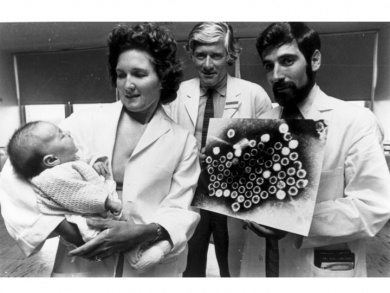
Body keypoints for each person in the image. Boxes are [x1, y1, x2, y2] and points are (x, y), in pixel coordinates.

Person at [0, 22, 200, 277]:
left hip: (149, 267)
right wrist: (65, 228)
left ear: (163, 78)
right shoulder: (85, 122)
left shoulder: (182, 141)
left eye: (139, 74)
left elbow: (182, 207)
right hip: (84, 264)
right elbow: (13, 175)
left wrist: (148, 231)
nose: (126, 85)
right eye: (121, 74)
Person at [235, 22, 390, 277]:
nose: (276, 75)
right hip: (261, 265)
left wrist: (294, 220)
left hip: (319, 269)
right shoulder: (261, 122)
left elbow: (374, 206)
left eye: (287, 61)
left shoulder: (356, 121)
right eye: (268, 65)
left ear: (314, 60)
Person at [165, 22, 272, 277]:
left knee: (233, 269)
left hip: (233, 198)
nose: (208, 64)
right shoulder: (177, 95)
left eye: (216, 55)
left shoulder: (253, 95)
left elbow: (269, 153)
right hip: (191, 194)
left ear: (230, 55)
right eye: (201, 55)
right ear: (191, 55)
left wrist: (238, 156)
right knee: (188, 269)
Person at [6, 120, 172, 273]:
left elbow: (83, 158)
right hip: (85, 216)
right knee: (99, 236)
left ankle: (145, 244)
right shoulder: (53, 177)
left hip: (101, 212)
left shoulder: (65, 159)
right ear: (51, 159)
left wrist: (95, 163)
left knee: (124, 232)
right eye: (62, 135)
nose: (68, 133)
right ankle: (140, 258)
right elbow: (79, 195)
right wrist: (106, 202)